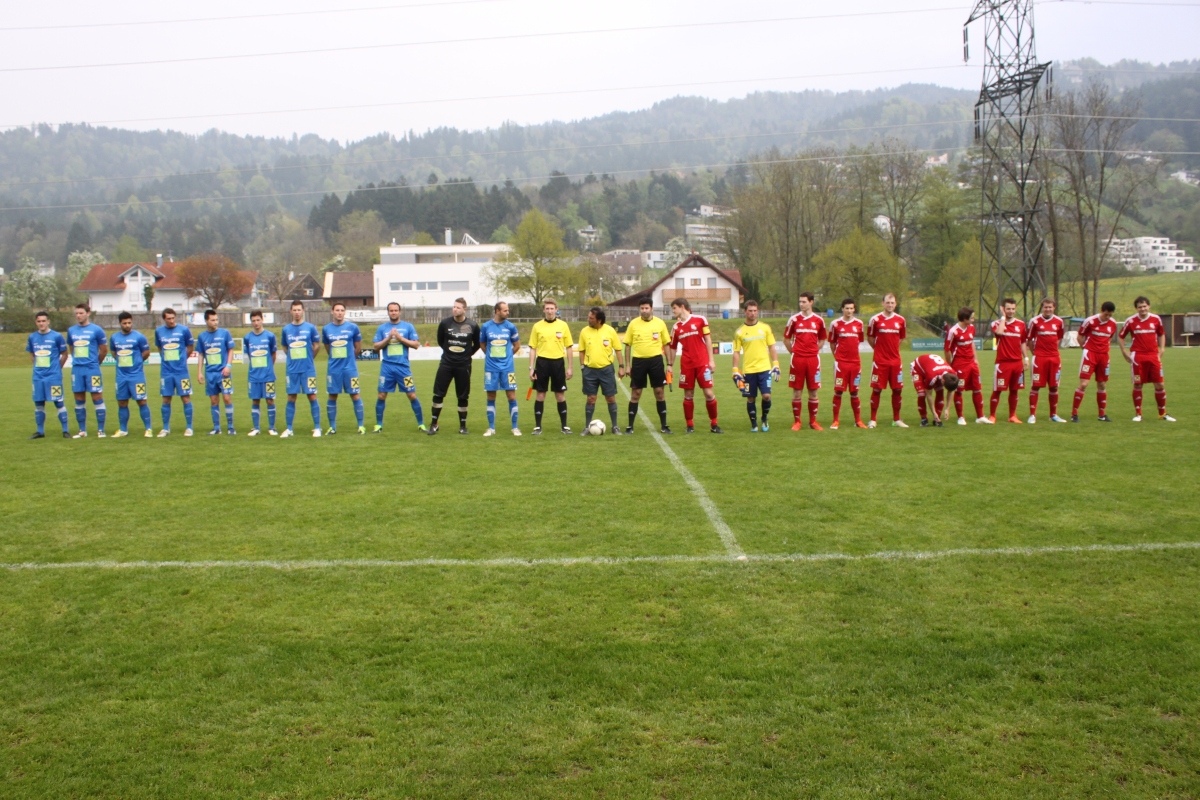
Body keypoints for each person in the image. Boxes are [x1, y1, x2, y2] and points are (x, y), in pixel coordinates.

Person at [668, 298, 721, 433]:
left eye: (674, 308)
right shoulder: (676, 327)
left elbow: (708, 339)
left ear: (682, 307)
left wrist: (711, 360)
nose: (673, 311)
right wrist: (670, 365)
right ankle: (690, 425)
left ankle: (714, 424)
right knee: (688, 394)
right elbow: (672, 348)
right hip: (687, 365)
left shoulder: (700, 320)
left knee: (709, 393)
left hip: (703, 363)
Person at [429, 297, 480, 435]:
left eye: (458, 307)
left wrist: (468, 354)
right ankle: (434, 424)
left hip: (464, 365)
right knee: (438, 394)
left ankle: (463, 426)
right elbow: (440, 341)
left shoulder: (473, 325)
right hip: (446, 364)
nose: (455, 309)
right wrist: (449, 352)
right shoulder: (445, 323)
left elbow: (477, 344)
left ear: (464, 309)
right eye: (454, 307)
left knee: (463, 396)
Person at [1118, 296, 1174, 422]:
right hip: (1138, 356)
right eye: (1140, 307)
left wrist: (1162, 349)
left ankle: (1162, 414)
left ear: (1149, 306)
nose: (1142, 309)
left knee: (1160, 384)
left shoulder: (1156, 319)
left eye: (1144, 306)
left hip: (1153, 355)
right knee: (1138, 384)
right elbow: (1121, 336)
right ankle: (1138, 414)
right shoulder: (1131, 321)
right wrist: (1124, 351)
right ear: (1136, 308)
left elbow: (1161, 334)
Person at [621, 296, 672, 434]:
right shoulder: (633, 324)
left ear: (652, 309)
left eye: (646, 308)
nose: (644, 310)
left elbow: (666, 344)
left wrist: (669, 364)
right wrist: (627, 365)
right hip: (638, 362)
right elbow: (627, 345)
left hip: (656, 361)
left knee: (659, 392)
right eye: (642, 308)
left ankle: (664, 425)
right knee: (636, 393)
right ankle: (630, 426)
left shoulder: (660, 323)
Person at [372, 302, 425, 433]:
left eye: (396, 310)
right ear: (388, 312)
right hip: (387, 367)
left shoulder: (408, 327)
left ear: (399, 312)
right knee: (381, 395)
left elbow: (416, 344)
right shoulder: (382, 328)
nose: (394, 312)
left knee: (412, 395)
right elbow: (376, 347)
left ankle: (421, 424)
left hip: (403, 368)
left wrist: (400, 338)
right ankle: (378, 425)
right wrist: (388, 338)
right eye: (391, 310)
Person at [732, 299, 780, 432]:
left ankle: (764, 418)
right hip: (749, 370)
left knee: (766, 396)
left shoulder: (765, 328)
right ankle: (754, 424)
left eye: (755, 311)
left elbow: (772, 347)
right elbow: (736, 352)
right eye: (750, 311)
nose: (752, 313)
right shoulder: (739, 332)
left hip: (765, 369)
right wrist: (735, 370)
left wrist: (776, 364)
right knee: (750, 398)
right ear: (745, 312)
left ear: (757, 311)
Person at [577, 306, 626, 435]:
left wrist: (621, 366)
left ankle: (615, 426)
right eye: (589, 317)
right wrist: (582, 367)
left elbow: (618, 349)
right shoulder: (584, 332)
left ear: (599, 320)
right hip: (589, 371)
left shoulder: (610, 331)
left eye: (591, 318)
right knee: (591, 398)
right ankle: (587, 427)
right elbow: (581, 351)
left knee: (610, 398)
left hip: (607, 370)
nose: (588, 319)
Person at [528, 298, 574, 434]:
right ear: (544, 310)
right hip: (542, 363)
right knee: (540, 394)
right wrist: (531, 368)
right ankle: (538, 427)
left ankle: (564, 426)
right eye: (547, 308)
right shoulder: (537, 326)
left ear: (556, 309)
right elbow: (533, 348)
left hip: (558, 363)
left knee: (560, 395)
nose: (549, 311)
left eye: (552, 308)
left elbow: (569, 347)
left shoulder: (563, 325)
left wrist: (570, 367)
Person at [782, 292, 826, 431]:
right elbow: (786, 339)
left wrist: (814, 350)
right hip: (798, 360)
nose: (801, 304)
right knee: (797, 391)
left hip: (813, 360)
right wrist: (794, 352)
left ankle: (813, 422)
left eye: (804, 302)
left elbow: (822, 339)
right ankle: (797, 422)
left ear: (811, 302)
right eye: (800, 302)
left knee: (813, 391)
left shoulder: (819, 320)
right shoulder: (793, 319)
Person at [280, 300, 323, 438]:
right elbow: (285, 347)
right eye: (294, 310)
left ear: (303, 311)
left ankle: (317, 428)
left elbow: (317, 345)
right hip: (292, 370)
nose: (297, 312)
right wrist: (292, 357)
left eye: (299, 310)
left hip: (308, 369)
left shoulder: (310, 328)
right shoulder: (286, 329)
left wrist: (310, 358)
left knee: (312, 395)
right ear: (291, 311)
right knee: (291, 397)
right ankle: (289, 429)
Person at [479, 301, 522, 436]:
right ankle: (491, 428)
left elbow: (517, 345)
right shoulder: (486, 326)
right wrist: (491, 356)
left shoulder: (511, 327)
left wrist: (507, 356)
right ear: (497, 311)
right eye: (505, 310)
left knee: (511, 395)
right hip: (491, 368)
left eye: (508, 310)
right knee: (491, 396)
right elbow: (482, 344)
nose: (508, 312)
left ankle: (515, 427)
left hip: (508, 368)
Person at [1070, 301, 1118, 423]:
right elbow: (1079, 336)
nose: (1107, 317)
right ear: (1102, 310)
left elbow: (1110, 338)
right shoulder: (1090, 321)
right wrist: (1086, 349)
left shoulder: (1113, 324)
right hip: (1090, 355)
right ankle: (1074, 414)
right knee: (1084, 384)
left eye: (1110, 315)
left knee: (1102, 384)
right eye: (1106, 314)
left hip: (1104, 356)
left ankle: (1102, 414)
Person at [26, 310, 71, 439]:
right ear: (36, 322)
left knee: (58, 402)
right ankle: (40, 431)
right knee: (39, 403)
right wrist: (37, 366)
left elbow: (64, 354)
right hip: (38, 377)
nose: (41, 323)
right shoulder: (32, 337)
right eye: (39, 321)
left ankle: (65, 430)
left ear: (48, 321)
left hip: (53, 376)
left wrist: (57, 368)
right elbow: (32, 354)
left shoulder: (56, 336)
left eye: (43, 321)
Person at [322, 302, 365, 435]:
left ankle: (361, 426)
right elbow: (328, 347)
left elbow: (358, 348)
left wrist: (350, 360)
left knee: (355, 394)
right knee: (332, 395)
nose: (339, 313)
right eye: (337, 310)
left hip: (350, 369)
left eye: (342, 310)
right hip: (333, 369)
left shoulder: (353, 327)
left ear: (344, 312)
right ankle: (332, 427)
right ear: (332, 312)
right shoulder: (326, 329)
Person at [67, 303, 109, 438]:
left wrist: (95, 364)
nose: (78, 316)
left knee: (97, 398)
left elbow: (104, 350)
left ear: (88, 313)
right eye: (77, 313)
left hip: (92, 369)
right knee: (79, 399)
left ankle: (101, 430)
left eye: (81, 313)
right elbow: (72, 348)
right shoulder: (71, 330)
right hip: (77, 369)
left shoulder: (97, 330)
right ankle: (82, 430)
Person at [109, 311, 154, 437]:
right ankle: (123, 430)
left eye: (129, 322)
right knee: (122, 402)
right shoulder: (114, 337)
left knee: (142, 401)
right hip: (121, 376)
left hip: (136, 376)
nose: (127, 325)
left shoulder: (139, 337)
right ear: (120, 323)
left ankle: (148, 429)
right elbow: (113, 352)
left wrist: (136, 362)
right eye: (124, 323)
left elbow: (146, 353)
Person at [867, 293, 908, 428]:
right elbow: (870, 338)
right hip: (880, 361)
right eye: (888, 302)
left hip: (895, 361)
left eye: (892, 303)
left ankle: (896, 419)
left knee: (897, 390)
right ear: (883, 303)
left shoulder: (901, 320)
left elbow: (901, 338)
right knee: (877, 389)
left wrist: (892, 349)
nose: (890, 305)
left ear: (895, 304)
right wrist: (879, 350)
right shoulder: (875, 319)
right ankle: (873, 419)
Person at [1024, 298, 1067, 423]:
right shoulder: (1034, 321)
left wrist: (1053, 351)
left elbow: (1059, 337)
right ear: (1042, 308)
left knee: (1054, 386)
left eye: (1050, 307)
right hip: (1039, 358)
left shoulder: (1059, 321)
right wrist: (1035, 353)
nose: (1048, 309)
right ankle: (1032, 415)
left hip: (1054, 358)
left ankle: (1053, 415)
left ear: (1054, 307)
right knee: (1036, 386)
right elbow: (1029, 340)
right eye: (1045, 307)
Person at [154, 307, 195, 437]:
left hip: (182, 371)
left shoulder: (184, 330)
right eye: (168, 319)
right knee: (166, 399)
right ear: (164, 319)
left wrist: (182, 359)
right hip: (166, 372)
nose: (171, 321)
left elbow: (190, 347)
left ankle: (189, 427)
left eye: (173, 318)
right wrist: (166, 359)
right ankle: (165, 428)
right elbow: (160, 348)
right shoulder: (159, 331)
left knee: (186, 398)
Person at [196, 309, 237, 435]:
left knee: (227, 398)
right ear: (206, 321)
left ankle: (231, 427)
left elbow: (230, 350)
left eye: (216, 319)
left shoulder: (224, 333)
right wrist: (199, 372)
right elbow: (201, 354)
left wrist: (228, 366)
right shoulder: (202, 336)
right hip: (210, 374)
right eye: (212, 320)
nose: (215, 322)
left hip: (224, 373)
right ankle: (217, 428)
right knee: (214, 400)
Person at [944, 307, 987, 425]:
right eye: (972, 317)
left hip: (972, 363)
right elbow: (947, 350)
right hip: (960, 364)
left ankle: (980, 416)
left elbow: (971, 342)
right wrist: (949, 365)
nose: (974, 319)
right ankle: (960, 417)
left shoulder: (971, 328)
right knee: (959, 390)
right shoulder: (953, 331)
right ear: (964, 318)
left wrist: (975, 359)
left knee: (977, 388)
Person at [828, 298, 866, 430]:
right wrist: (838, 358)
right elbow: (832, 343)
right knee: (838, 391)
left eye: (851, 308)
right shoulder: (835, 324)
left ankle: (858, 420)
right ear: (842, 309)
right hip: (841, 364)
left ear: (854, 309)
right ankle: (835, 421)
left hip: (855, 363)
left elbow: (859, 341)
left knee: (854, 392)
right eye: (847, 308)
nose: (849, 311)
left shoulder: (859, 324)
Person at [989, 298, 1027, 424]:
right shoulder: (996, 323)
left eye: (1013, 309)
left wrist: (1026, 358)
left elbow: (1023, 342)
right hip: (1003, 363)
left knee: (1015, 390)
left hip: (1017, 363)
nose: (1011, 311)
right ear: (1003, 309)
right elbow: (999, 333)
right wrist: (1003, 318)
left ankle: (1012, 416)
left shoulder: (1021, 324)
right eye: (1008, 309)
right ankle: (992, 416)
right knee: (997, 390)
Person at [243, 309, 279, 436]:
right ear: (251, 322)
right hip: (253, 376)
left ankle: (272, 427)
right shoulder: (247, 338)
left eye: (258, 320)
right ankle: (256, 428)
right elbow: (249, 355)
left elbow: (273, 355)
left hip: (268, 376)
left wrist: (268, 368)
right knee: (255, 401)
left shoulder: (270, 336)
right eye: (253, 321)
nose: (256, 323)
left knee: (270, 400)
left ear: (262, 320)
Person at [910, 353, 960, 427]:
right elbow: (929, 395)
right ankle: (924, 418)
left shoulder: (953, 374)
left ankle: (936, 419)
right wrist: (933, 412)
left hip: (933, 369)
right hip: (917, 368)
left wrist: (947, 408)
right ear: (943, 381)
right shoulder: (932, 377)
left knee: (940, 392)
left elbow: (951, 390)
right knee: (921, 394)